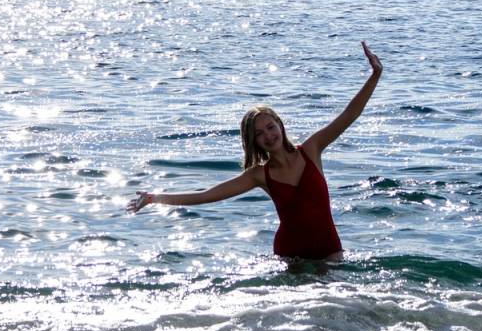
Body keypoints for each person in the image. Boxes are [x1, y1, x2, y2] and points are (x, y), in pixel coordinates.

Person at [127, 42, 382, 260]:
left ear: (280, 125)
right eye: (259, 134)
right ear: (254, 142)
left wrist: (375, 75)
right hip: (290, 256)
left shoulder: (312, 150)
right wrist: (154, 198)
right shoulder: (259, 175)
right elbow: (206, 195)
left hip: (329, 250)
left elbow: (350, 114)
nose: (268, 136)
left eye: (270, 127)